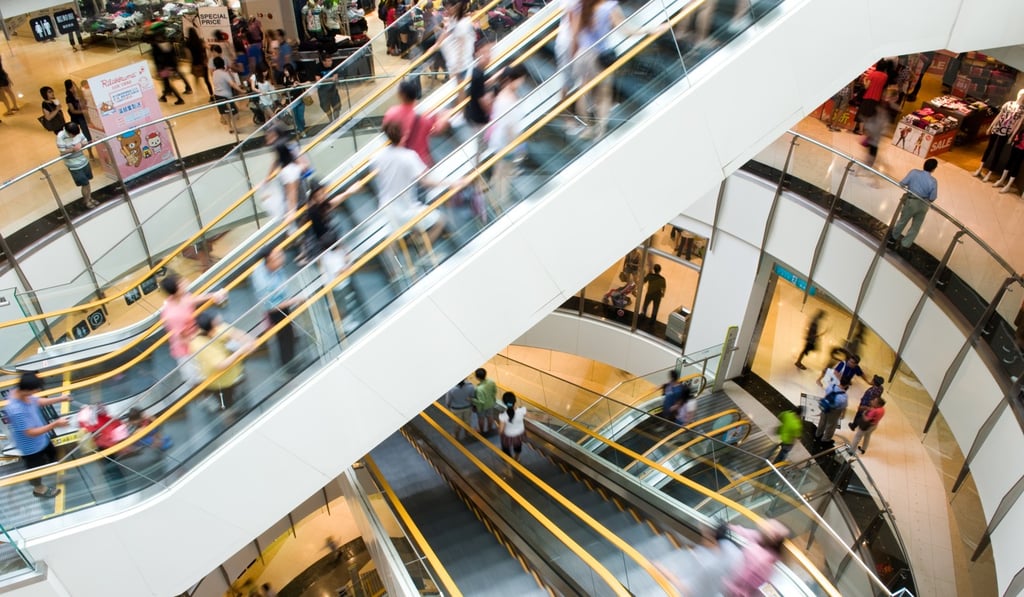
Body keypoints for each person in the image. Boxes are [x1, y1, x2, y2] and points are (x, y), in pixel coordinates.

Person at [368, 120, 448, 244]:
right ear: (404, 135)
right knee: (440, 220)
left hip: (387, 208)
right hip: (405, 209)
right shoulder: (408, 156)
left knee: (408, 233)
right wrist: (449, 183)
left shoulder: (379, 156)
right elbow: (425, 181)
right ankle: (423, 252)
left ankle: (417, 246)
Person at [6, 372, 73, 498]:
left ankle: (55, 474)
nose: (36, 392)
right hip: (31, 447)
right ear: (27, 390)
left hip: (43, 439)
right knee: (35, 469)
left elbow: (36, 401)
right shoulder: (16, 410)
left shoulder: (19, 392)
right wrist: (55, 424)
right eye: (35, 390)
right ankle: (39, 489)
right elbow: (30, 433)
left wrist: (60, 398)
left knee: (53, 455)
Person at [160, 274, 228, 386]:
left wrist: (213, 295)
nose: (185, 282)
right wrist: (201, 348)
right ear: (176, 290)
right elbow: (182, 338)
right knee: (196, 379)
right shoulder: (173, 314)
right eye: (181, 283)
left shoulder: (179, 297)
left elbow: (191, 300)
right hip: (186, 350)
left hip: (196, 337)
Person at [190, 310, 255, 412]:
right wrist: (241, 350)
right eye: (216, 323)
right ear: (211, 329)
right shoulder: (199, 345)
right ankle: (230, 417)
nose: (220, 325)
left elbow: (237, 334)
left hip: (235, 371)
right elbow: (221, 365)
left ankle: (239, 407)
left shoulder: (214, 328)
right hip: (220, 382)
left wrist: (246, 341)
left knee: (240, 391)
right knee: (227, 404)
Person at [252, 246, 303, 369]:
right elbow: (270, 307)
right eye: (278, 257)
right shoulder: (263, 282)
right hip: (276, 310)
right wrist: (293, 301)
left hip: (283, 302)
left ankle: (290, 357)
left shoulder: (275, 268)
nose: (282, 258)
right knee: (285, 336)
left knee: (288, 332)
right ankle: (288, 365)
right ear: (269, 260)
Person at [486, 64, 528, 206]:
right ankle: (502, 200)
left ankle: (495, 200)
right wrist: (516, 145)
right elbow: (509, 126)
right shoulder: (506, 99)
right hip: (506, 141)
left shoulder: (505, 94)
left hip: (501, 140)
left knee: (500, 171)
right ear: (511, 79)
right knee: (504, 172)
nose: (521, 82)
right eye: (520, 79)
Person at [382, 79, 444, 167]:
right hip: (421, 162)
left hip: (401, 162)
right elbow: (438, 129)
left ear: (401, 95)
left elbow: (387, 133)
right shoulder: (424, 118)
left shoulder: (391, 114)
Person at [724, 521, 789, 597]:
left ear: (773, 538)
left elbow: (743, 583)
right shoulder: (761, 539)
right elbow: (746, 533)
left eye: (768, 529)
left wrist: (726, 583)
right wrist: (729, 527)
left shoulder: (762, 562)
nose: (764, 529)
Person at [888, 158, 939, 249]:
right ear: (934, 169)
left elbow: (902, 183)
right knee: (916, 226)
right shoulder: (933, 181)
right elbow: (932, 198)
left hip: (911, 201)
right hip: (924, 204)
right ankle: (905, 244)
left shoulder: (914, 172)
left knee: (902, 221)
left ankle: (893, 238)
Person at [56, 122, 98, 208]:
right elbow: (62, 152)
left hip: (83, 161)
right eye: (73, 135)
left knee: (87, 182)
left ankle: (89, 198)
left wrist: (81, 144)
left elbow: (85, 142)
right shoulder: (60, 137)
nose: (75, 136)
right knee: (84, 183)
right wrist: (73, 149)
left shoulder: (77, 132)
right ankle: (87, 201)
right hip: (74, 166)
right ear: (68, 132)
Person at [437, 0, 475, 83]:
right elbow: (446, 32)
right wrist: (436, 45)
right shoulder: (453, 21)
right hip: (456, 67)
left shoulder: (462, 24)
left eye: (448, 8)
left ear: (456, 7)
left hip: (462, 68)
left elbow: (461, 47)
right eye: (445, 9)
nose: (446, 11)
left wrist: (457, 69)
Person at [152, 32, 190, 104]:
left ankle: (179, 99)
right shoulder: (169, 45)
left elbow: (157, 60)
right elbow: (173, 55)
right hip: (171, 66)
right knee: (166, 82)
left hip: (163, 68)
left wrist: (158, 70)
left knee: (167, 83)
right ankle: (164, 96)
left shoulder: (156, 47)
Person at [212, 56, 246, 132]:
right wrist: (241, 90)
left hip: (217, 95)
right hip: (226, 96)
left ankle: (230, 127)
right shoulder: (224, 74)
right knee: (235, 113)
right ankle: (234, 127)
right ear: (223, 64)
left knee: (225, 113)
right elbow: (232, 84)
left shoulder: (214, 73)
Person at [63, 79, 94, 156]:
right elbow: (72, 110)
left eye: (74, 86)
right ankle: (90, 151)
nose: (73, 88)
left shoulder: (81, 93)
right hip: (80, 118)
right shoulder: (69, 98)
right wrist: (83, 111)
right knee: (86, 134)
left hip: (89, 115)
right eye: (71, 87)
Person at [813, 380, 849, 445]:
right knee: (831, 425)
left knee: (822, 421)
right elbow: (843, 406)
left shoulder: (832, 386)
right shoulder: (844, 396)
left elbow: (826, 394)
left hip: (825, 406)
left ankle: (818, 434)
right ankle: (825, 439)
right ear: (846, 385)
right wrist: (843, 414)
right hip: (834, 411)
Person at [498, 392, 527, 461]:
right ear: (515, 401)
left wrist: (500, 433)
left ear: (504, 403)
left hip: (508, 435)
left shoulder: (503, 416)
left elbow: (501, 430)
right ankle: (517, 458)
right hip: (519, 434)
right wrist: (544, 418)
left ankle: (507, 460)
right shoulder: (522, 410)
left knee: (505, 447)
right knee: (518, 446)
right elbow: (533, 416)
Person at [280, 63, 307, 138]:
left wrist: (299, 84)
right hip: (291, 101)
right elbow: (286, 90)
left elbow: (308, 82)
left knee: (300, 116)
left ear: (290, 70)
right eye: (284, 71)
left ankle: (301, 128)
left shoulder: (297, 76)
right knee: (295, 117)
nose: (285, 72)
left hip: (300, 99)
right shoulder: (285, 79)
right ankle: (301, 130)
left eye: (286, 71)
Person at [186, 28, 213, 98]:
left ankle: (197, 93)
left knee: (196, 78)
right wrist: (207, 58)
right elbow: (209, 48)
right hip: (203, 63)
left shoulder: (188, 43)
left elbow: (188, 55)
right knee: (207, 80)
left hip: (195, 63)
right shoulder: (200, 41)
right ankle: (211, 94)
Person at [316, 52, 342, 121]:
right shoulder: (318, 67)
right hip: (323, 91)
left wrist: (327, 79)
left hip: (333, 89)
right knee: (326, 107)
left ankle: (337, 122)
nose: (330, 62)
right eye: (328, 61)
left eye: (331, 60)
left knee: (337, 106)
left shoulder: (333, 65)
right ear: (323, 62)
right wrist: (330, 79)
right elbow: (318, 80)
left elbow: (335, 77)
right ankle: (331, 121)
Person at [472, 367, 497, 434]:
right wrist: (492, 399)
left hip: (482, 407)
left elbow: (481, 401)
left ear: (477, 377)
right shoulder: (491, 382)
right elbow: (495, 391)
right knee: (490, 416)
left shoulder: (479, 389)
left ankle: (481, 431)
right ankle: (490, 429)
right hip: (490, 403)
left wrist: (471, 400)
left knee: (481, 418)